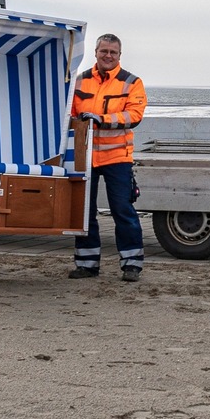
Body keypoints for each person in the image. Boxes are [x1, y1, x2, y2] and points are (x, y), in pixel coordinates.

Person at [70, 33, 147, 282]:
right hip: (86, 157)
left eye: (113, 52)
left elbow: (133, 116)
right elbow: (68, 116)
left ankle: (132, 264)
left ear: (119, 55)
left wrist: (100, 119)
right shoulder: (79, 82)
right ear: (96, 52)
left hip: (117, 158)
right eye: (104, 51)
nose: (108, 56)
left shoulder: (132, 82)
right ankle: (87, 264)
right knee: (84, 212)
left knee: (123, 210)